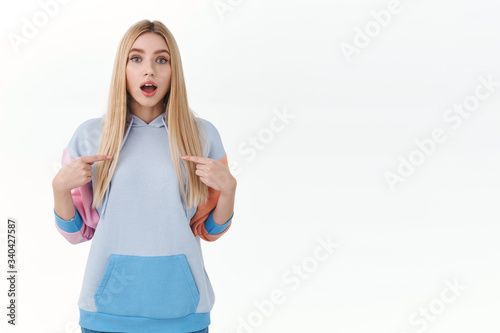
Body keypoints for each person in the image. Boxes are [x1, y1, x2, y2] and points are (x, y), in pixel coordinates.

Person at [51, 19, 236, 333]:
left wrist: (229, 191)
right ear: (122, 68)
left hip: (183, 316)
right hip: (106, 316)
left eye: (161, 59)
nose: (149, 69)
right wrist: (58, 190)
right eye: (136, 58)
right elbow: (77, 234)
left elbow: (209, 231)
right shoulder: (90, 136)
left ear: (173, 69)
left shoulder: (202, 136)